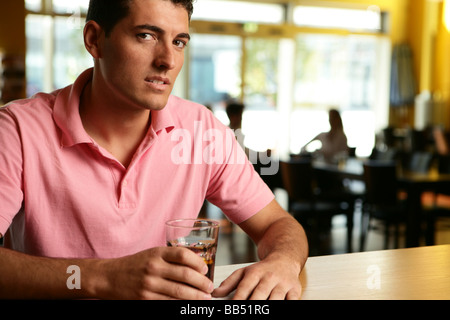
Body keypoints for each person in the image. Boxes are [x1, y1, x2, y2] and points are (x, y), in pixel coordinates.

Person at [0, 0, 308, 300]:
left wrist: (284, 262)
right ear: (94, 40)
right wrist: (103, 279)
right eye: (146, 36)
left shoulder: (201, 130)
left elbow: (278, 224)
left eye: (178, 42)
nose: (167, 60)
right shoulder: (17, 130)